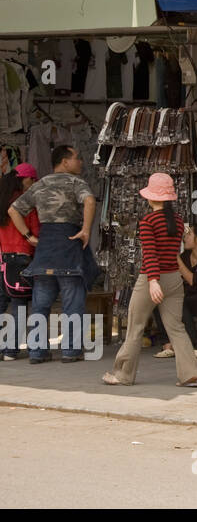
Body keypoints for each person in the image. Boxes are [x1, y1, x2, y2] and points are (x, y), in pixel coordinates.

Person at [103, 174, 197, 387]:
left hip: (151, 278)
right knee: (176, 327)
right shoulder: (177, 221)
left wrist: (153, 280)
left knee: (135, 327)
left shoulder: (148, 222)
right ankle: (189, 373)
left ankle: (123, 375)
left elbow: (151, 254)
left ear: (150, 198)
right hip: (174, 277)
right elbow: (172, 252)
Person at [10, 145, 96, 364]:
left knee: (41, 304)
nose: (81, 162)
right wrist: (86, 229)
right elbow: (89, 200)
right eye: (77, 158)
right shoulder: (77, 183)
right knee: (72, 303)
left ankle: (37, 352)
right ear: (65, 162)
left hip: (45, 248)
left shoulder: (40, 185)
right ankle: (70, 351)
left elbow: (14, 210)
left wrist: (29, 236)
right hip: (68, 246)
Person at [155, 223, 197, 362]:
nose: (185, 237)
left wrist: (176, 259)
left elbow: (192, 280)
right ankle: (167, 345)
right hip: (189, 297)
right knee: (158, 300)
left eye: (189, 234)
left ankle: (196, 346)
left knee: (181, 303)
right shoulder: (186, 256)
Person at [0, 164, 39, 360]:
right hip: (21, 259)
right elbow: (35, 232)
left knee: (1, 304)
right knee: (19, 305)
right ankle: (10, 350)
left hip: (2, 259)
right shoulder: (24, 205)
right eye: (33, 180)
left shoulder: (2, 201)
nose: (34, 184)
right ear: (26, 180)